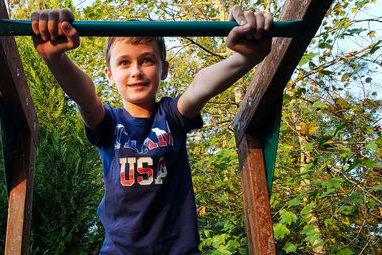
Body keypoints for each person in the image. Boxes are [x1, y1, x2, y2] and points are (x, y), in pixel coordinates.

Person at [31, 5, 273, 254]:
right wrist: (56, 59)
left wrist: (245, 58)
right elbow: (85, 96)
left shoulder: (171, 115)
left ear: (164, 69)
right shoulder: (108, 123)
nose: (136, 71)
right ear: (110, 75)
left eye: (146, 60)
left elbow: (200, 86)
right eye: (124, 63)